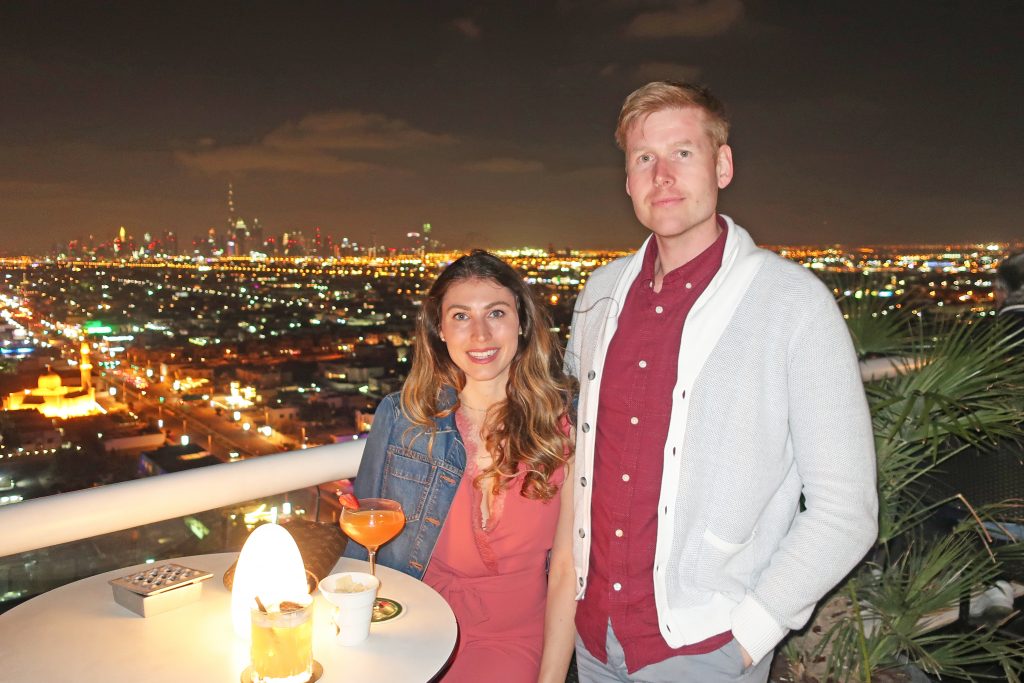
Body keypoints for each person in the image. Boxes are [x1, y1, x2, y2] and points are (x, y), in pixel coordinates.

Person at [565, 81, 879, 682]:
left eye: (683, 152)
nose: (662, 175)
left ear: (723, 165)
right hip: (594, 636)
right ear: (628, 180)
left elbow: (846, 510)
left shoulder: (793, 304)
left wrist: (751, 633)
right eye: (643, 158)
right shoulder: (600, 295)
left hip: (705, 648)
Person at [344, 250, 577, 683]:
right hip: (412, 625)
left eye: (496, 313)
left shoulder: (565, 425)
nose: (481, 334)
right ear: (440, 332)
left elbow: (567, 568)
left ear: (522, 323)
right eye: (461, 316)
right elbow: (363, 549)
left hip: (511, 639)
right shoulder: (401, 419)